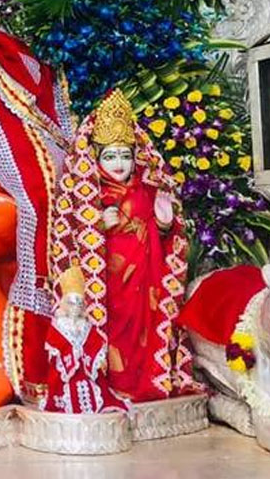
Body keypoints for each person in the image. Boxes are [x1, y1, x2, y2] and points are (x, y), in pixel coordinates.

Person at [49, 89, 194, 402]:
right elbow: (72, 237)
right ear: (96, 158)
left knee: (144, 334)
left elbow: (168, 240)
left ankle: (143, 382)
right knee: (116, 333)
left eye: (125, 156)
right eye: (110, 156)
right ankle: (111, 383)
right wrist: (98, 224)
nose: (119, 164)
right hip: (109, 286)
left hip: (146, 283)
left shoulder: (146, 189)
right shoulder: (89, 193)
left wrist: (164, 223)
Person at [44, 266, 124, 414]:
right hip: (66, 375)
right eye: (71, 303)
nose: (76, 308)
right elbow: (54, 345)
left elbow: (95, 343)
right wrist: (71, 354)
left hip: (86, 372)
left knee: (97, 393)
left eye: (79, 303)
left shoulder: (86, 325)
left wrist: (93, 357)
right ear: (64, 303)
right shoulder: (59, 325)